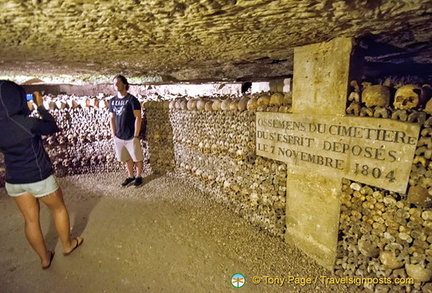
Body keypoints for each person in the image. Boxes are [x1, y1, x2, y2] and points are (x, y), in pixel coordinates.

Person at [0, 80, 83, 269]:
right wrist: (40, 106)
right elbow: (51, 126)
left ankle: (45, 258)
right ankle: (68, 245)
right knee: (59, 209)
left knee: (30, 220)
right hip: (38, 176)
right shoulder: (26, 123)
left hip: (14, 180)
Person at [109, 75, 144, 187]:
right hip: (119, 136)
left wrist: (136, 135)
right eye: (114, 83)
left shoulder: (132, 100)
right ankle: (130, 176)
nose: (116, 85)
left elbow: (138, 117)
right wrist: (113, 134)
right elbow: (112, 118)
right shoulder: (112, 101)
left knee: (137, 157)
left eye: (118, 82)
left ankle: (138, 176)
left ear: (124, 84)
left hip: (131, 135)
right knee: (126, 158)